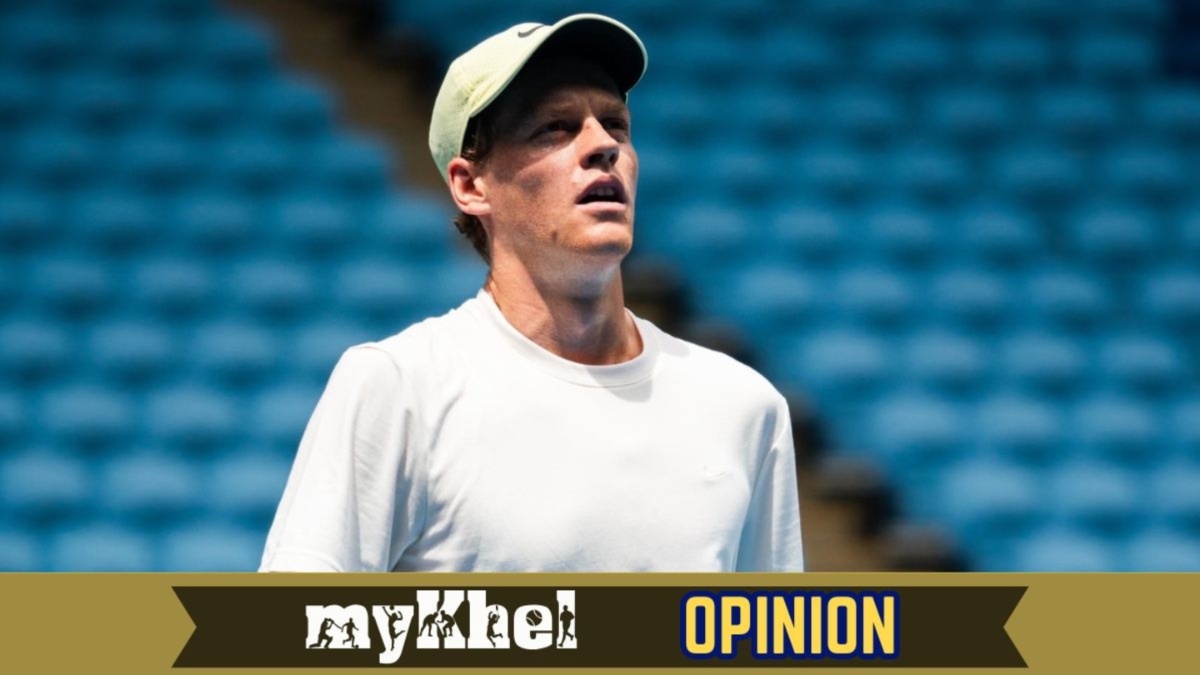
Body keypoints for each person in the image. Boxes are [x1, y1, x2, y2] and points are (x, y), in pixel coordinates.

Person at [259, 13, 803, 573]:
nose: (603, 145)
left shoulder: (743, 406)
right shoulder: (399, 386)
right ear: (471, 185)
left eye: (615, 124)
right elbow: (294, 621)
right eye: (555, 128)